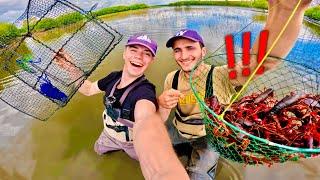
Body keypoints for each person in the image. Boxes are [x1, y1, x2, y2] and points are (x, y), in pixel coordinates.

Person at [157, 0, 312, 179]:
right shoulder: (171, 77)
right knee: (151, 148)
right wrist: (161, 103)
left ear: (203, 51)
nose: (183, 56)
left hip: (209, 139)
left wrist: (285, 10)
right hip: (178, 130)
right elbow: (163, 113)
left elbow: (260, 63)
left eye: (190, 48)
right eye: (177, 50)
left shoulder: (223, 75)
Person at [54, 34, 189, 179]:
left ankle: (182, 150)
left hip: (133, 143)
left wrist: (162, 107)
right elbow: (88, 89)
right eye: (134, 49)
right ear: (124, 53)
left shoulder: (145, 91)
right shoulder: (113, 77)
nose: (139, 56)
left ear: (151, 60)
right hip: (108, 135)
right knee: (98, 150)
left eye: (146, 53)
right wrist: (69, 67)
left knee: (145, 158)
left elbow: (147, 121)